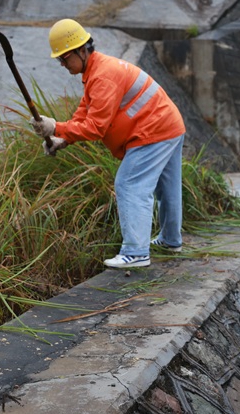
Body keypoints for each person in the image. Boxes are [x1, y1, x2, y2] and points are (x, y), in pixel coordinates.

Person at [31, 19, 186, 269]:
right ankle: (170, 240)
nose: (62, 64)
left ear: (82, 50)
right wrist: (63, 139)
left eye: (65, 58)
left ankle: (136, 253)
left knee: (130, 183)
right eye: (58, 60)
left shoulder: (103, 76)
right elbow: (85, 112)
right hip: (168, 126)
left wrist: (55, 127)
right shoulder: (95, 71)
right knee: (167, 188)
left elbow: (95, 128)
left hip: (152, 131)